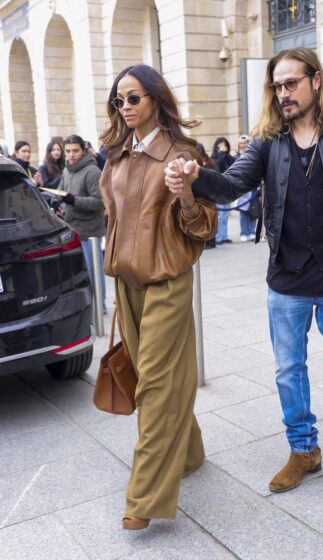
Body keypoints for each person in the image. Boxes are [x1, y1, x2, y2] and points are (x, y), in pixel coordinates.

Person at [165, 47, 323, 493]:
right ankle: (303, 449)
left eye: (291, 83)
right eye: (277, 86)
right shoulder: (269, 141)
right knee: (288, 370)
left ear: (315, 81)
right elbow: (233, 183)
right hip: (286, 280)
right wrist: (197, 174)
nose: (283, 93)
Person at [98, 64, 217, 531]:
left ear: (155, 100)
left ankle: (143, 496)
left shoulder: (183, 155)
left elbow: (203, 227)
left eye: (134, 98)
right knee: (151, 373)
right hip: (125, 285)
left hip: (166, 282)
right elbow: (112, 219)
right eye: (118, 101)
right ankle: (189, 451)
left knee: (154, 386)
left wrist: (187, 194)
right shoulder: (116, 159)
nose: (125, 108)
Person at [59, 134, 107, 312]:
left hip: (90, 231)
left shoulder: (92, 171)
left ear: (83, 150)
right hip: (72, 228)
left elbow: (99, 202)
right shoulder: (67, 169)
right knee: (79, 273)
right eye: (68, 151)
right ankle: (87, 303)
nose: (71, 155)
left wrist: (73, 201)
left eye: (75, 151)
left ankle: (100, 306)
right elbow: (62, 191)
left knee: (94, 271)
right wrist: (58, 200)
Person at [211, 136, 235, 244]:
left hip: (227, 187)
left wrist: (226, 154)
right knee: (220, 214)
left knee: (225, 214)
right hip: (217, 188)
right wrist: (221, 154)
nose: (223, 147)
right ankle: (218, 237)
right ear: (216, 146)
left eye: (225, 145)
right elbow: (217, 167)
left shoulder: (228, 156)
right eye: (220, 145)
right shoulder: (214, 157)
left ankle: (224, 236)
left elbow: (234, 164)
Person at [235, 135, 258, 242]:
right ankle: (244, 232)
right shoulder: (235, 157)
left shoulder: (255, 155)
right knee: (243, 212)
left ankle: (252, 232)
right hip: (241, 186)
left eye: (246, 142)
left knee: (253, 211)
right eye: (241, 143)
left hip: (253, 187)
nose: (243, 145)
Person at [196, 143, 219, 248]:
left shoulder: (210, 161)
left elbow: (216, 174)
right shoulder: (193, 161)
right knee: (203, 218)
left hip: (208, 193)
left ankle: (211, 241)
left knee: (210, 217)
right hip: (199, 194)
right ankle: (204, 241)